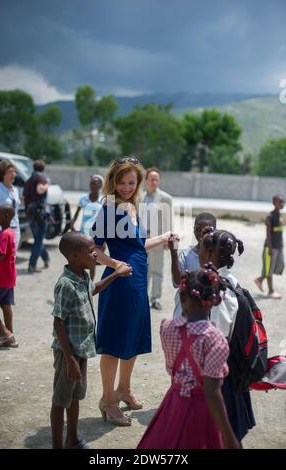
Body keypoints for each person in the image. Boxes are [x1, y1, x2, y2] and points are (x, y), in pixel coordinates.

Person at [90, 157, 178, 426]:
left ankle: (124, 389)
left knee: (134, 338)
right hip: (119, 283)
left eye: (131, 182)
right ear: (112, 182)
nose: (126, 187)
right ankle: (107, 400)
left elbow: (137, 245)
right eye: (121, 182)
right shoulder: (108, 208)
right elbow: (92, 250)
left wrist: (163, 238)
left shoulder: (133, 206)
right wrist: (114, 263)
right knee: (115, 341)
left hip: (138, 280)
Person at [137, 264, 240, 449]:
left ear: (182, 298)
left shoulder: (166, 328)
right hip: (202, 409)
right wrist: (229, 436)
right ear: (215, 300)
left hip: (173, 403)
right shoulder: (215, 339)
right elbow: (212, 391)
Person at [50, 231, 132, 449]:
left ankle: (73, 440)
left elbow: (93, 289)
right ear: (74, 256)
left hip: (81, 349)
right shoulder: (65, 285)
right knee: (60, 401)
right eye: (90, 251)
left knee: (75, 397)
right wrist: (69, 360)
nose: (95, 254)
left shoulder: (83, 276)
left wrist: (116, 273)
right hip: (68, 353)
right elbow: (58, 323)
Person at [198, 227, 256, 444]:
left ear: (210, 253)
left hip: (220, 376)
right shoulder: (230, 280)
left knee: (224, 432)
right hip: (228, 368)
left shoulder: (218, 290)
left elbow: (217, 336)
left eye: (203, 248)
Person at [169, 212, 217, 319]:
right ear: (193, 229)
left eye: (206, 230)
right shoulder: (186, 254)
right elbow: (177, 282)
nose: (201, 233)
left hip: (208, 313)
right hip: (185, 311)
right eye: (198, 229)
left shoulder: (217, 256)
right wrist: (174, 252)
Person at [141, 167, 173, 310]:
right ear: (146, 180)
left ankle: (156, 299)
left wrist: (168, 238)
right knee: (143, 269)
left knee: (157, 270)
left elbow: (169, 219)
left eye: (156, 179)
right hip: (142, 238)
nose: (154, 182)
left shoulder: (165, 198)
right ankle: (144, 297)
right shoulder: (140, 197)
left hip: (158, 237)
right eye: (151, 179)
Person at [0, 205, 19, 348]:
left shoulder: (6, 234)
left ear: (6, 217)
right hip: (8, 276)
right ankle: (10, 338)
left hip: (1, 277)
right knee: (5, 305)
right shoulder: (7, 232)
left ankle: (4, 332)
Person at [70, 174, 104, 280]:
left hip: (96, 236)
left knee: (92, 263)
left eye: (96, 184)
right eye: (92, 183)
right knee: (80, 260)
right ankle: (80, 283)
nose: (93, 186)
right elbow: (76, 214)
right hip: (83, 235)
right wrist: (72, 225)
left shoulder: (104, 200)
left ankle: (90, 287)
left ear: (100, 185)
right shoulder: (83, 199)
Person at [254, 195, 285, 299]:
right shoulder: (270, 216)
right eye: (280, 202)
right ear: (274, 203)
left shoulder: (279, 215)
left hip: (278, 247)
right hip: (270, 248)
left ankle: (260, 279)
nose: (282, 204)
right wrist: (270, 248)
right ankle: (271, 291)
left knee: (278, 266)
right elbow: (268, 234)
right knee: (269, 269)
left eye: (283, 202)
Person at [23, 160, 51, 273]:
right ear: (43, 169)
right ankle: (32, 265)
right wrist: (47, 184)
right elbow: (39, 190)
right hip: (40, 214)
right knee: (38, 240)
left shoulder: (28, 180)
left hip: (30, 214)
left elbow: (23, 197)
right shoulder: (41, 179)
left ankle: (46, 258)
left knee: (38, 239)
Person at [0, 159, 21, 251]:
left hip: (15, 229)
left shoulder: (15, 190)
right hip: (0, 230)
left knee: (12, 257)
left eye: (15, 172)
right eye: (10, 172)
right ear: (3, 173)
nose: (14, 174)